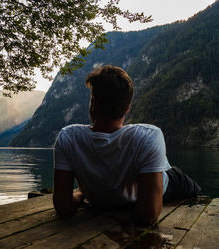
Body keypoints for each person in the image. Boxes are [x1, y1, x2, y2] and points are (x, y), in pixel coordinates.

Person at [53, 65, 202, 225]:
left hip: (117, 194)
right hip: (164, 185)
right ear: (127, 108)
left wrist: (80, 194)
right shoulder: (148, 135)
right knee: (193, 190)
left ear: (93, 103)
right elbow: (149, 216)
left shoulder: (68, 137)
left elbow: (63, 206)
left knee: (169, 172)